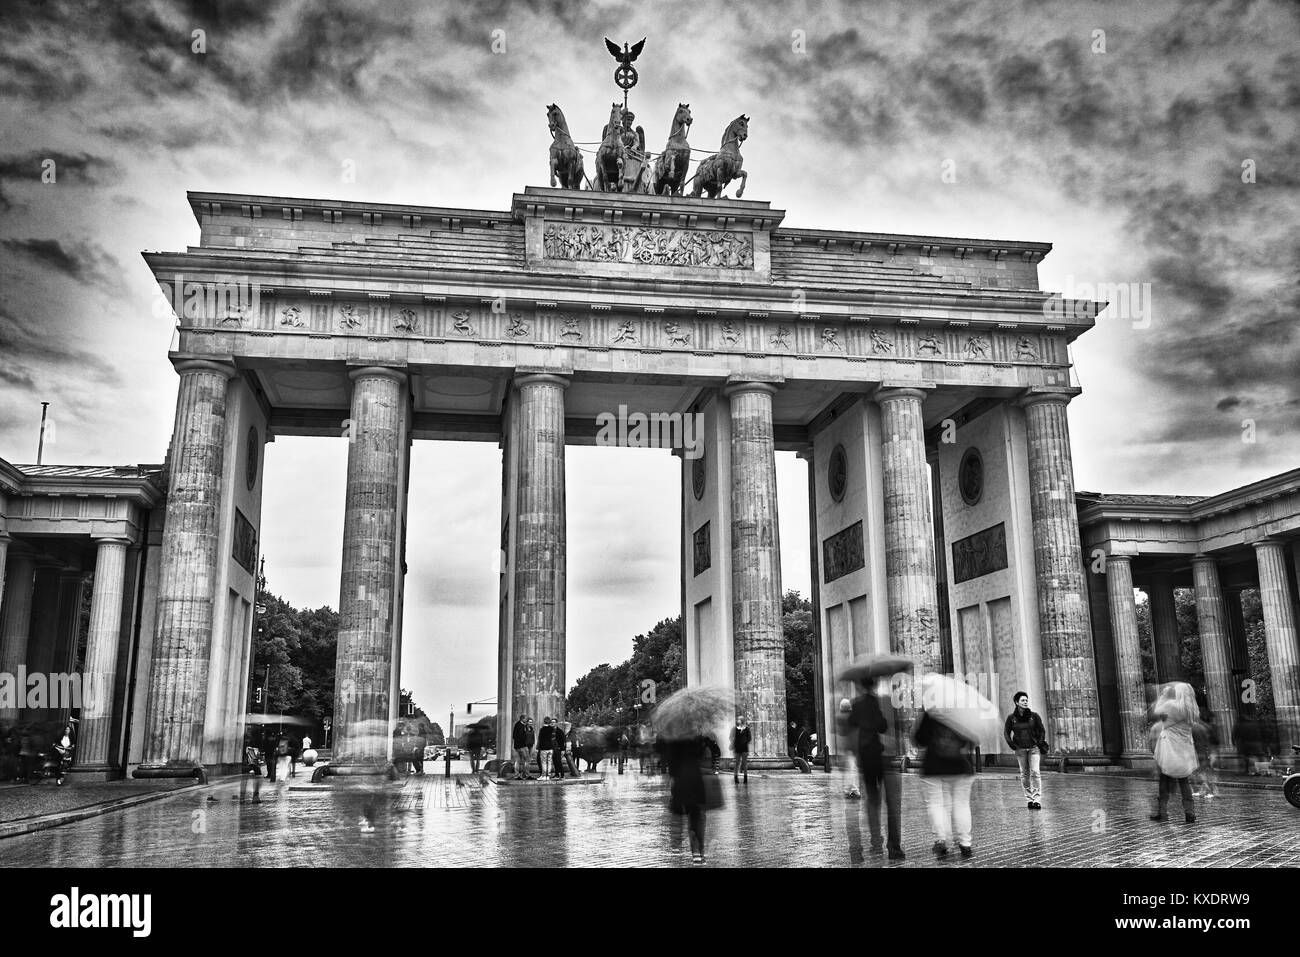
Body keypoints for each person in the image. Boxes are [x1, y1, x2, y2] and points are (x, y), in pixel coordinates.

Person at [849, 681, 905, 859]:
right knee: (893, 805)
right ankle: (894, 847)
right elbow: (888, 726)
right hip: (886, 759)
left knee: (873, 802)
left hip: (870, 759)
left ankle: (876, 843)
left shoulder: (858, 704)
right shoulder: (885, 702)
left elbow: (852, 727)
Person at [914, 709, 976, 858]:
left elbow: (919, 739)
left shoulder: (931, 712)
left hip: (933, 765)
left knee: (936, 804)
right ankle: (965, 843)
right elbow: (969, 740)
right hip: (959, 766)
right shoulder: (960, 711)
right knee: (961, 805)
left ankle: (942, 840)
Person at [1150, 681, 1200, 824]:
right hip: (1185, 748)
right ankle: (1190, 813)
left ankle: (1162, 812)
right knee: (1184, 781)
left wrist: (1164, 695)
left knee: (1164, 780)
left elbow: (1156, 710)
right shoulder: (1193, 710)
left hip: (1170, 747)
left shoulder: (1173, 706)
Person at [664, 735, 717, 864]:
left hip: (685, 780)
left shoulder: (675, 737)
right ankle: (698, 852)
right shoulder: (699, 737)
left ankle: (696, 852)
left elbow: (670, 759)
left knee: (694, 816)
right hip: (696, 779)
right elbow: (713, 753)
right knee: (697, 816)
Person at [1004, 691, 1048, 810]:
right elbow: (1006, 732)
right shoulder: (1011, 718)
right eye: (1023, 700)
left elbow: (1042, 730)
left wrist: (1039, 742)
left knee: (1035, 772)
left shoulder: (1034, 716)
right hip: (1020, 750)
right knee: (1024, 774)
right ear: (1017, 702)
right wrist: (1012, 745)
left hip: (1033, 749)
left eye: (1026, 700)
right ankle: (1029, 799)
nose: (1025, 702)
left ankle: (1037, 799)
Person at [1192, 707, 1219, 799]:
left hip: (1195, 752)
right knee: (1205, 772)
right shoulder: (1205, 727)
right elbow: (1210, 740)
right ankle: (1210, 791)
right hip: (1204, 751)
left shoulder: (1192, 727)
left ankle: (1205, 791)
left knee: (1198, 773)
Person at [512, 714, 534, 781]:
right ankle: (527, 775)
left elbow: (514, 736)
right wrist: (525, 742)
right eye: (525, 719)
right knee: (527, 760)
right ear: (523, 719)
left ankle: (517, 775)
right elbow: (522, 736)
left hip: (516, 746)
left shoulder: (516, 724)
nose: (526, 720)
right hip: (522, 746)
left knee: (517, 761)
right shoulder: (522, 726)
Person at [730, 715, 751, 784]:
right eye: (737, 719)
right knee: (737, 763)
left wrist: (744, 742)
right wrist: (734, 742)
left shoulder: (747, 729)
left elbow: (749, 738)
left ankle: (745, 778)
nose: (737, 720)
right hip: (737, 748)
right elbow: (730, 737)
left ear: (742, 720)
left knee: (744, 763)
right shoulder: (734, 729)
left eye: (739, 719)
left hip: (744, 748)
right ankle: (736, 778)